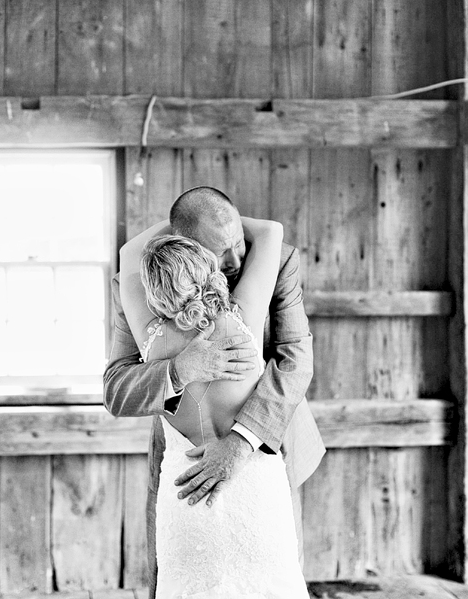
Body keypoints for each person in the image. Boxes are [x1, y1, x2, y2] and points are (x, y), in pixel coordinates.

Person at [103, 186, 325, 596]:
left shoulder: (279, 262)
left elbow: (295, 361)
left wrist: (242, 441)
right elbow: (116, 387)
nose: (236, 261)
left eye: (239, 242)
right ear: (184, 245)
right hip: (184, 461)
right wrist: (176, 371)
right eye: (219, 253)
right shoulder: (238, 313)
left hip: (266, 441)